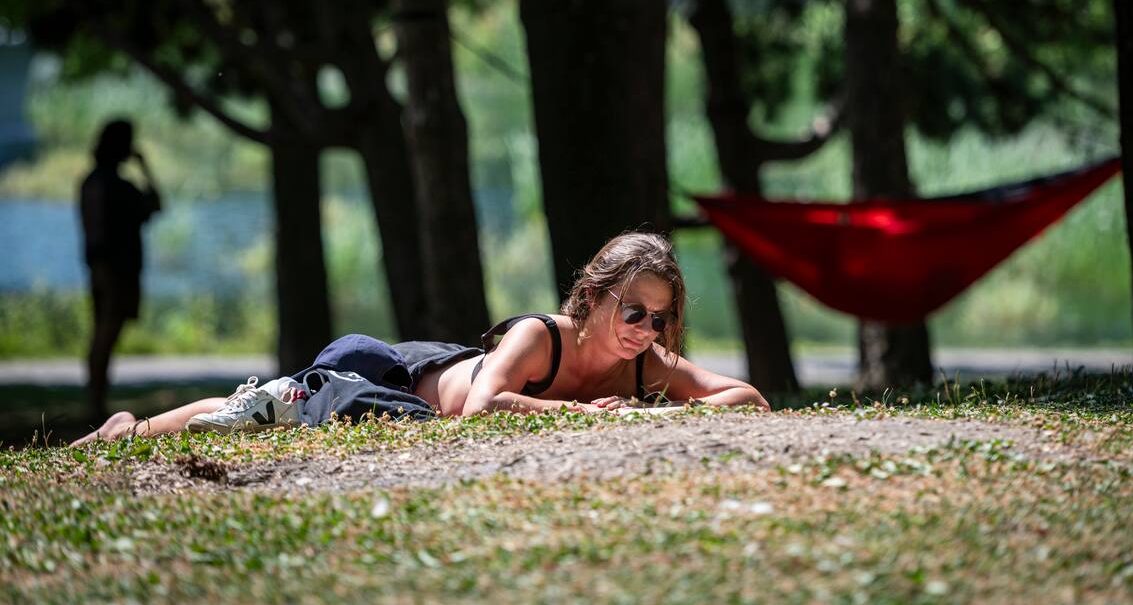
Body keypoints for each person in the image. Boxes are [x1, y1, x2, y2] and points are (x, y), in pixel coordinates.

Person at [72, 232, 767, 445]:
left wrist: (673, 410)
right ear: (591, 298)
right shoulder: (539, 338)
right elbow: (482, 407)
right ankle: (125, 431)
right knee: (264, 406)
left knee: (266, 412)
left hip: (410, 405)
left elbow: (748, 398)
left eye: (659, 318)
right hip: (388, 381)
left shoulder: (648, 366)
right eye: (633, 311)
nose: (645, 330)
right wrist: (582, 416)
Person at [79, 119, 163, 421]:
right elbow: (155, 205)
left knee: (103, 334)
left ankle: (96, 399)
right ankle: (95, 401)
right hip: (116, 272)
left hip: (103, 269)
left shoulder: (94, 183)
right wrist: (145, 167)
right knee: (105, 335)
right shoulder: (116, 186)